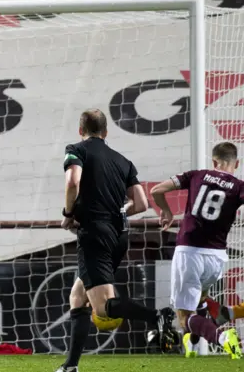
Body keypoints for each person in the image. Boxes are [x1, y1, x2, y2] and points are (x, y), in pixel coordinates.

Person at [57, 109, 176, 372]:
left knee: (102, 307)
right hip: (120, 236)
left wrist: (68, 213)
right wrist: (116, 211)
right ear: (106, 132)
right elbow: (142, 203)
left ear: (81, 131)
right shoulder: (123, 161)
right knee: (78, 297)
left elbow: (72, 183)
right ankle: (70, 367)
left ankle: (157, 315)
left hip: (94, 235)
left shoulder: (76, 149)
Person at [150, 141, 243, 359]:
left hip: (189, 252)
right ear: (236, 163)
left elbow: (157, 190)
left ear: (213, 161)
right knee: (200, 299)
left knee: (183, 317)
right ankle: (191, 343)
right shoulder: (238, 186)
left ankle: (222, 338)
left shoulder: (196, 175)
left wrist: (166, 211)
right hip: (217, 258)